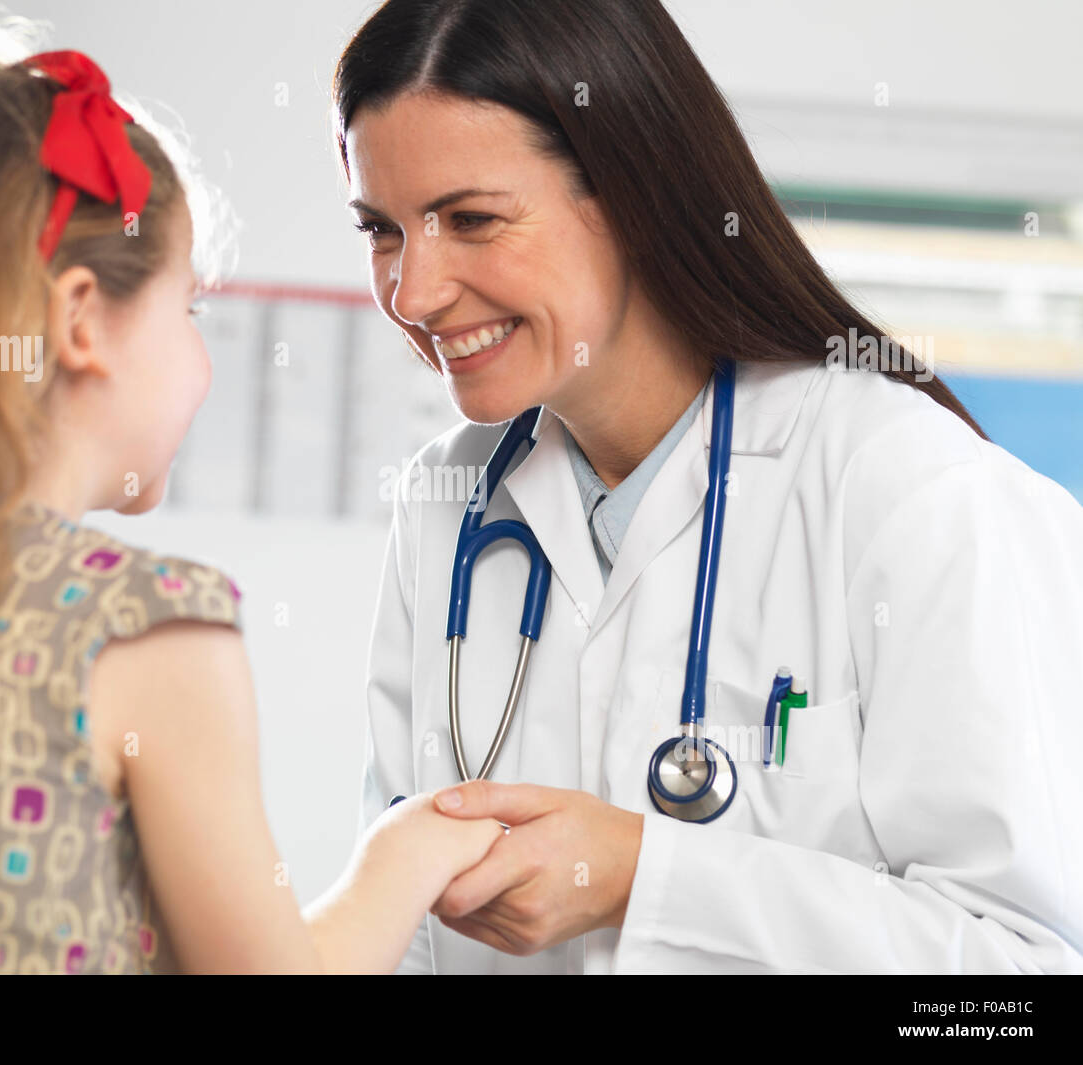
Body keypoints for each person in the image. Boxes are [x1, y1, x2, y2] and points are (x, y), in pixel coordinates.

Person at [338, 0, 1083, 973]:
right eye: (382, 230)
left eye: (471, 220)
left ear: (635, 193)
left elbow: (1017, 985)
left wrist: (646, 876)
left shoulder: (908, 488)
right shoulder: (448, 505)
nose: (412, 291)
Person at [0, 28, 501, 975]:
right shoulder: (140, 627)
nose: (203, 357)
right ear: (82, 320)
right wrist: (410, 850)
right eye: (190, 309)